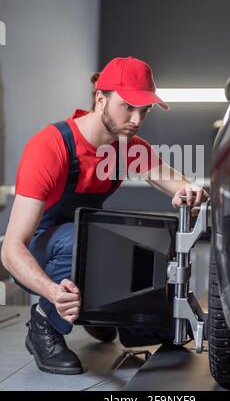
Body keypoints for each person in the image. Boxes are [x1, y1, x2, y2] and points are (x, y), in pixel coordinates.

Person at [1, 57, 208, 375]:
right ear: (101, 99)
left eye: (145, 110)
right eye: (128, 107)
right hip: (38, 252)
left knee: (124, 237)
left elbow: (177, 183)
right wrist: (53, 292)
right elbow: (12, 248)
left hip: (79, 241)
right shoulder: (51, 146)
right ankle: (43, 324)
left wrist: (189, 193)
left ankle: (108, 317)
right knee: (87, 240)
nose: (137, 119)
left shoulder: (128, 147)